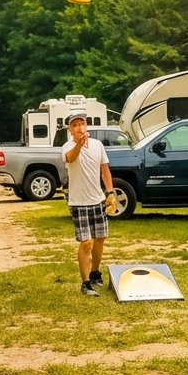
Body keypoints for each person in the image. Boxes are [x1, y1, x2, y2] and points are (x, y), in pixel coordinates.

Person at [62, 111, 116, 296]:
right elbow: (70, 158)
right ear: (70, 129)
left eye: (81, 124)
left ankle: (95, 273)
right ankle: (85, 284)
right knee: (86, 243)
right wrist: (79, 144)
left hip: (97, 199)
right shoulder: (67, 147)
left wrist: (110, 192)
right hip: (78, 202)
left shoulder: (97, 145)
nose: (79, 128)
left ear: (86, 126)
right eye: (75, 125)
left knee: (99, 240)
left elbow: (105, 170)